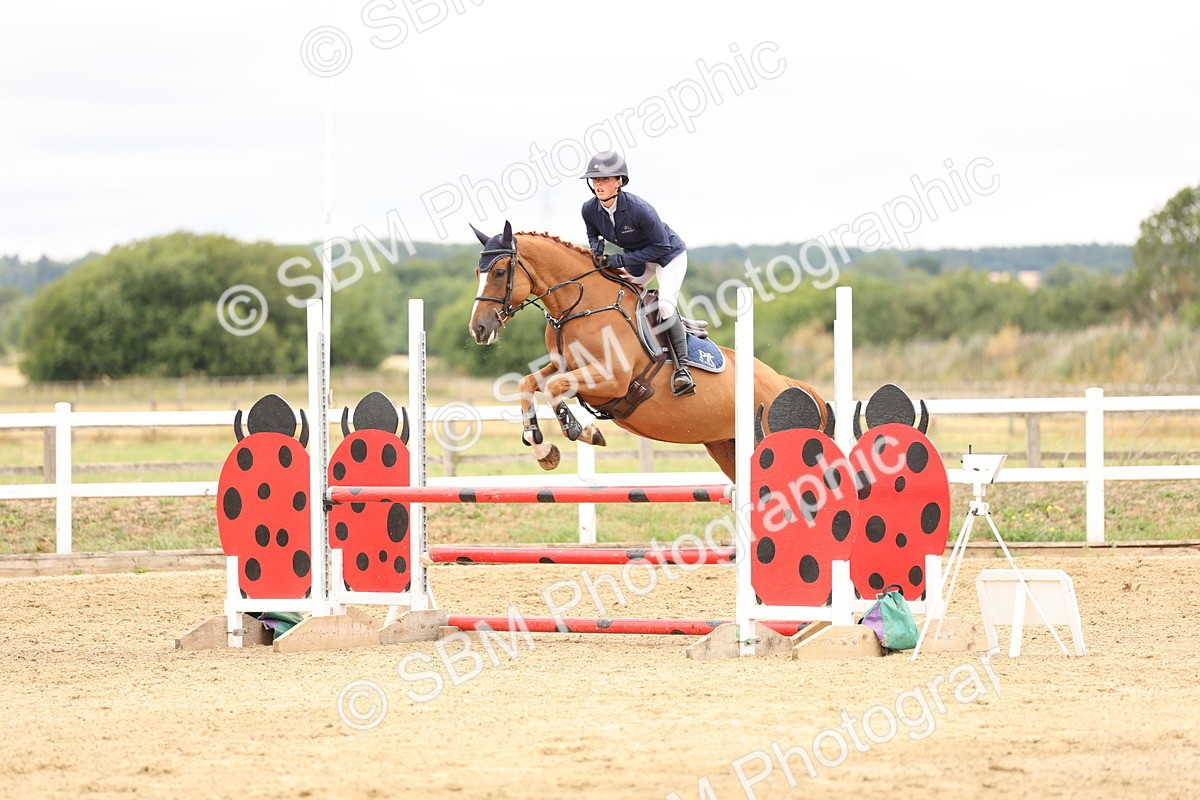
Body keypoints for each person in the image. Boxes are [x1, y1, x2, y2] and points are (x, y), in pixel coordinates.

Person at [580, 151, 696, 396]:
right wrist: (595, 246)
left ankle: (683, 370)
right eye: (595, 179)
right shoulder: (589, 209)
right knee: (615, 291)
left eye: (605, 179)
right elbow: (592, 233)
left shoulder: (639, 209)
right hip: (640, 262)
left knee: (665, 306)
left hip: (668, 257)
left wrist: (622, 259)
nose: (599, 184)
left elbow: (661, 247)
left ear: (619, 181)